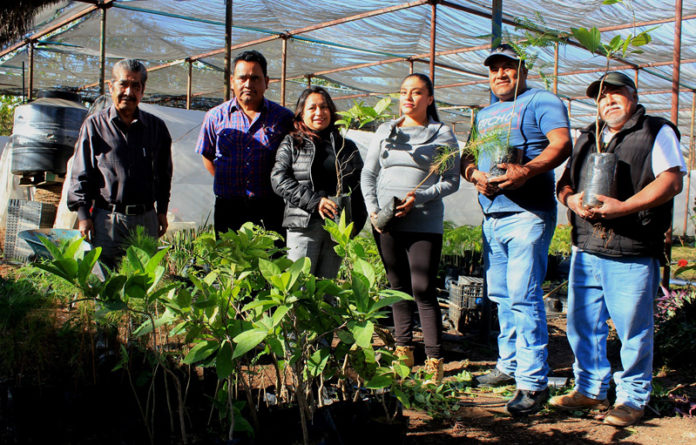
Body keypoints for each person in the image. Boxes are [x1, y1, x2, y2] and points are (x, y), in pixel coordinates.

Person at [552, 72, 685, 427]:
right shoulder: (587, 137)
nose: (608, 101)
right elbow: (563, 184)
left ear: (633, 97)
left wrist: (624, 207)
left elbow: (671, 180)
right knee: (582, 326)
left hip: (632, 249)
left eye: (616, 94)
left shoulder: (656, 131)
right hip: (586, 247)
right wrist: (573, 199)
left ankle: (631, 398)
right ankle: (590, 388)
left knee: (632, 329)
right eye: (601, 97)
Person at [460, 44, 572, 416]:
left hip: (528, 214)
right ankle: (508, 365)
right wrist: (475, 175)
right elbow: (468, 157)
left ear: (522, 71)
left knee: (524, 297)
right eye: (495, 69)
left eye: (508, 68)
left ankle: (532, 381)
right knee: (502, 296)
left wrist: (528, 170)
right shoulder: (485, 113)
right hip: (493, 216)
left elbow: (561, 144)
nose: (501, 75)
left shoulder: (542, 100)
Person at [361, 73, 460, 383]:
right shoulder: (385, 132)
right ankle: (403, 351)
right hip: (387, 224)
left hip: (424, 224)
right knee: (396, 288)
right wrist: (375, 212)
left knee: (423, 290)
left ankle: (434, 359)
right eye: (404, 91)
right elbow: (368, 175)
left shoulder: (441, 135)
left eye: (417, 92)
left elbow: (451, 181)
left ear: (429, 99)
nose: (409, 97)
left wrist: (420, 197)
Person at [68, 59, 172, 268]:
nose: (128, 92)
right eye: (123, 84)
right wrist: (83, 215)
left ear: (143, 90)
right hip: (107, 219)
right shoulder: (95, 125)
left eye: (136, 86)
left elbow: (164, 173)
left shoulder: (156, 128)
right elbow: (81, 172)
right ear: (111, 86)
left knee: (144, 283)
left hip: (145, 219)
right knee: (105, 283)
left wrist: (162, 210)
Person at [271, 86, 366, 277]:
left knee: (326, 290)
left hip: (336, 226)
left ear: (331, 111)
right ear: (301, 113)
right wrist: (316, 202)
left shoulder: (346, 147)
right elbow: (278, 179)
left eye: (324, 107)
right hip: (303, 225)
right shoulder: (292, 143)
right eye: (312, 108)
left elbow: (359, 186)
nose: (319, 113)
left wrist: (356, 223)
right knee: (300, 286)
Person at [195, 50, 293, 236]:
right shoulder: (215, 116)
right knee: (230, 261)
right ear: (232, 81)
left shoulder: (283, 118)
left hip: (270, 207)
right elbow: (207, 154)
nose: (248, 84)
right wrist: (226, 181)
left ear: (266, 82)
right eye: (242, 78)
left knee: (272, 261)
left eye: (255, 78)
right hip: (229, 208)